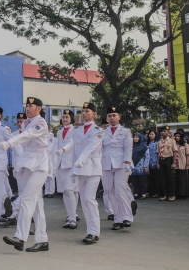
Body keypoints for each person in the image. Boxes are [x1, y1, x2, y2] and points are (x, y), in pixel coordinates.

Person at [0, 97, 49, 252]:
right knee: (37, 204)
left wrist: (9, 143)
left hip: (39, 165)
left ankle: (20, 237)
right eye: (26, 106)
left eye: (31, 106)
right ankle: (42, 240)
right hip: (27, 164)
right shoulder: (27, 123)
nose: (27, 108)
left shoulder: (41, 123)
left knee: (27, 199)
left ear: (39, 109)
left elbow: (26, 136)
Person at [64, 102, 103, 244]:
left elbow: (91, 148)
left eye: (88, 111)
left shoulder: (98, 130)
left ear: (94, 114)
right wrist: (75, 168)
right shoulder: (77, 131)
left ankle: (94, 232)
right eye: (83, 111)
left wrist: (80, 161)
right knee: (84, 201)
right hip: (80, 169)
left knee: (89, 199)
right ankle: (90, 231)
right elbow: (75, 151)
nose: (84, 113)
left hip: (92, 168)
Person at [101, 106, 133, 230]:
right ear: (107, 118)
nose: (112, 118)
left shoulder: (125, 131)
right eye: (109, 116)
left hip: (121, 163)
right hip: (106, 163)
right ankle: (117, 218)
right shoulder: (103, 132)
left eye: (114, 115)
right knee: (110, 191)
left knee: (120, 189)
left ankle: (127, 217)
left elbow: (128, 147)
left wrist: (127, 162)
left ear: (119, 117)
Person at [54, 109, 79, 229]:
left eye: (67, 117)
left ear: (72, 119)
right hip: (61, 164)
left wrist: (63, 149)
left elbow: (72, 143)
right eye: (63, 117)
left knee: (70, 190)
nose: (64, 119)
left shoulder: (75, 131)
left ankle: (73, 218)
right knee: (65, 191)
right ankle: (69, 216)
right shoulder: (59, 132)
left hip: (71, 163)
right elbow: (56, 146)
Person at [157, 126, 177, 201]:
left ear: (168, 132)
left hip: (169, 159)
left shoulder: (172, 141)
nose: (163, 132)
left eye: (165, 131)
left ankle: (171, 195)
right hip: (162, 160)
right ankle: (165, 194)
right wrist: (158, 163)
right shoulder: (159, 142)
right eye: (162, 131)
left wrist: (174, 162)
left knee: (170, 178)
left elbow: (175, 152)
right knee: (163, 178)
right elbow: (158, 153)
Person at [130, 133, 149, 199]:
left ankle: (143, 194)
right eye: (134, 137)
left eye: (137, 137)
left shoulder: (144, 147)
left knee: (142, 181)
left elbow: (147, 157)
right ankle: (136, 193)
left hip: (141, 166)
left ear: (140, 138)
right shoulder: (132, 146)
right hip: (133, 166)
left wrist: (146, 166)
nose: (135, 138)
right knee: (134, 181)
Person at [174, 130, 189, 200]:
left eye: (179, 136)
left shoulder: (185, 145)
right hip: (175, 164)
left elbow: (187, 155)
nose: (177, 138)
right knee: (176, 179)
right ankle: (176, 193)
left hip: (182, 163)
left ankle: (183, 194)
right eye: (176, 136)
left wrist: (187, 164)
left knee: (182, 179)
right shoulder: (173, 144)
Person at [44, 127, 57, 199]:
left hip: (49, 157)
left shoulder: (50, 135)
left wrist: (45, 153)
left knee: (50, 176)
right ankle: (46, 191)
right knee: (45, 176)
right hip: (44, 158)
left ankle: (51, 191)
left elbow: (50, 146)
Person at [146, 130, 160, 198]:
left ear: (155, 135)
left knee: (156, 178)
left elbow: (158, 153)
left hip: (155, 162)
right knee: (150, 179)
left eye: (152, 134)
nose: (151, 135)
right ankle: (150, 191)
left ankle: (156, 192)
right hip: (148, 163)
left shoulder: (157, 143)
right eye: (150, 134)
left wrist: (158, 162)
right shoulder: (147, 143)